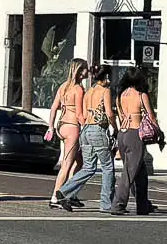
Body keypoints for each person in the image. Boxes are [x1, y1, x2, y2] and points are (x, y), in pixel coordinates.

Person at [53, 64, 120, 213]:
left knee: (88, 167)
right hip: (98, 130)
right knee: (108, 167)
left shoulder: (89, 91)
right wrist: (115, 128)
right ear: (107, 77)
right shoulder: (105, 91)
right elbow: (109, 113)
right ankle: (106, 203)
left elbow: (82, 113)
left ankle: (64, 191)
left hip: (86, 130)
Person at [114, 67, 157, 215]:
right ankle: (118, 204)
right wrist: (159, 132)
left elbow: (120, 116)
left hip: (123, 133)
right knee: (128, 172)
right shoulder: (141, 95)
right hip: (135, 133)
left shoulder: (121, 95)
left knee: (140, 173)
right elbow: (151, 116)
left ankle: (143, 205)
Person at [47, 59, 88, 188]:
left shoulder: (63, 86)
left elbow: (54, 107)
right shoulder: (78, 89)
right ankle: (57, 195)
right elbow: (79, 114)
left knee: (79, 161)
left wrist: (51, 127)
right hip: (72, 127)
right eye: (85, 68)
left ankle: (69, 192)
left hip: (61, 125)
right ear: (79, 71)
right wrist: (88, 127)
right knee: (66, 164)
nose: (88, 70)